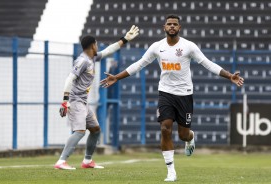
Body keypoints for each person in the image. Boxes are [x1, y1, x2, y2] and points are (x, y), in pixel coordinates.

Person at [100, 14, 244, 181]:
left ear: (179, 27)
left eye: (175, 24)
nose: (172, 27)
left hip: (185, 95)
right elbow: (139, 64)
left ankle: (190, 138)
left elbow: (207, 63)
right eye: (169, 24)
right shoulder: (157, 47)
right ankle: (171, 171)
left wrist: (229, 76)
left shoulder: (189, 46)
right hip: (165, 93)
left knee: (183, 134)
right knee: (165, 128)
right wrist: (116, 77)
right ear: (164, 27)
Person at [54, 25, 139, 170]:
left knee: (95, 130)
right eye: (96, 44)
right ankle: (61, 161)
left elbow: (108, 51)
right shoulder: (82, 61)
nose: (98, 46)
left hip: (83, 102)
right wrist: (65, 102)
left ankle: (87, 161)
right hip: (76, 101)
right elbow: (69, 79)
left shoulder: (92, 58)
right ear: (92, 45)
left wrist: (125, 39)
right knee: (80, 131)